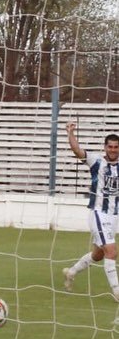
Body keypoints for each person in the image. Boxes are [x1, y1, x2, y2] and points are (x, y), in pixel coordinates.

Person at [63, 122, 119, 301]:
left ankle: (71, 272)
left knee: (98, 254)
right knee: (112, 251)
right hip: (98, 213)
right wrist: (70, 132)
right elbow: (77, 150)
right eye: (110, 146)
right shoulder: (97, 162)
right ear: (105, 147)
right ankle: (117, 292)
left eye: (116, 147)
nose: (113, 150)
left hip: (114, 215)